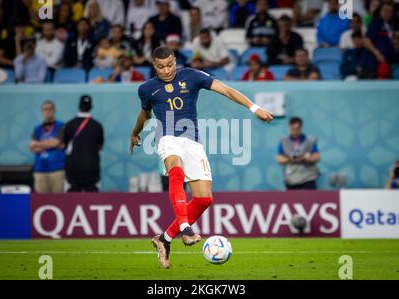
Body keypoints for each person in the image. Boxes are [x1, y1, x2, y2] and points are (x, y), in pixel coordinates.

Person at [130, 46, 273, 269]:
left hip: (193, 142)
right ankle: (186, 229)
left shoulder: (192, 76)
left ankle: (164, 239)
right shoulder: (147, 89)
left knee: (204, 199)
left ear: (175, 61)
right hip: (168, 138)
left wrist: (254, 108)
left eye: (169, 65)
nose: (166, 70)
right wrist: (135, 132)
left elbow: (226, 90)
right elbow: (145, 114)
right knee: (175, 168)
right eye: (160, 67)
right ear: (154, 66)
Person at [63, 95, 104, 192]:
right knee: (92, 202)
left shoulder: (69, 124)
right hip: (92, 169)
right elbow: (100, 146)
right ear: (91, 107)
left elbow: (65, 145)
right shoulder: (97, 126)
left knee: (72, 203)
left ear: (79, 106)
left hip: (73, 170)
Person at [29, 100, 66, 194]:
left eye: (50, 109)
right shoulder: (37, 128)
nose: (47, 111)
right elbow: (32, 148)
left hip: (57, 170)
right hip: (40, 171)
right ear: (42, 111)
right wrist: (53, 145)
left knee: (59, 202)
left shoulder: (61, 126)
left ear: (54, 110)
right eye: (45, 109)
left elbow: (56, 143)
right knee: (41, 202)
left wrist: (38, 144)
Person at [277, 116, 320, 190]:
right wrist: (290, 159)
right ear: (289, 127)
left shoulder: (310, 140)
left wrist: (305, 158)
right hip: (291, 178)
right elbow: (280, 159)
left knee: (310, 200)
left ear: (301, 127)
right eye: (292, 129)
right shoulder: (284, 141)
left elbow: (316, 157)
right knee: (292, 201)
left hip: (308, 178)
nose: (294, 131)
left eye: (296, 129)